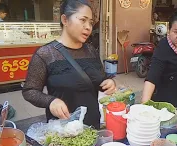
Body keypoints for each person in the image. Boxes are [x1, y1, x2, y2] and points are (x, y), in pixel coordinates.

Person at [22, 0, 116, 129]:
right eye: (83, 20)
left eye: (91, 22)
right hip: (63, 129)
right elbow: (29, 91)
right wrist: (51, 101)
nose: (88, 27)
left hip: (92, 127)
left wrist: (109, 83)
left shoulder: (91, 51)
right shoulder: (46, 54)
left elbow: (100, 79)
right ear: (65, 20)